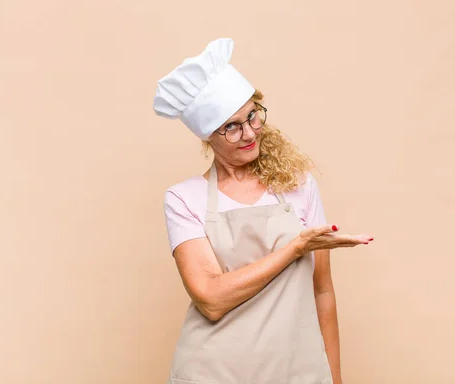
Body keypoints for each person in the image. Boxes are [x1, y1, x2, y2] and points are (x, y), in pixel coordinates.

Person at [153, 38, 373, 384]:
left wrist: (335, 379)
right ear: (208, 135)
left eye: (253, 116)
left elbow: (322, 291)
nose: (250, 133)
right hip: (213, 372)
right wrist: (295, 248)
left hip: (295, 370)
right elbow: (211, 298)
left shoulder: (299, 186)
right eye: (232, 126)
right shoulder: (184, 199)